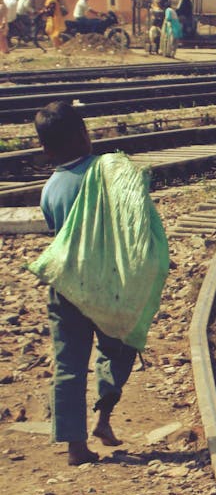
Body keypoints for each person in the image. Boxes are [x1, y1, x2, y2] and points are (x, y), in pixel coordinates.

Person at [34, 102, 139, 466]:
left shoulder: (50, 188)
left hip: (65, 286)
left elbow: (56, 233)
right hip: (109, 284)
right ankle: (103, 416)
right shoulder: (108, 174)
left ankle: (75, 447)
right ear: (85, 134)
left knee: (69, 364)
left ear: (45, 149)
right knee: (122, 347)